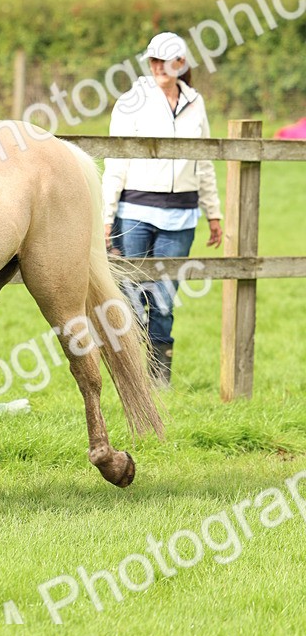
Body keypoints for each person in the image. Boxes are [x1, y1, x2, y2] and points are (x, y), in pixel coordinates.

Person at [102, 31, 223, 386]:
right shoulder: (131, 101)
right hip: (136, 211)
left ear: (181, 63)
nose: (158, 67)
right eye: (153, 60)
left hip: (182, 215)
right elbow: (116, 162)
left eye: (166, 60)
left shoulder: (195, 102)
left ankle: (159, 380)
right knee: (130, 297)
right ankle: (129, 376)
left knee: (165, 301)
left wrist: (213, 213)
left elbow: (205, 160)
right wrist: (107, 218)